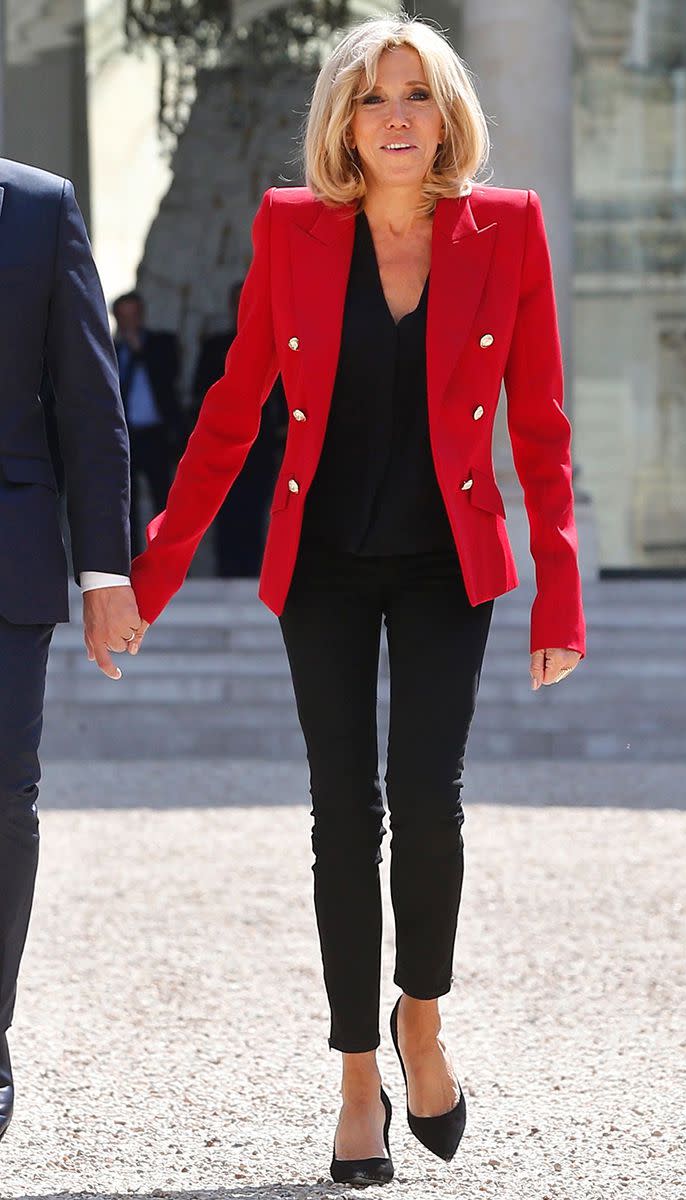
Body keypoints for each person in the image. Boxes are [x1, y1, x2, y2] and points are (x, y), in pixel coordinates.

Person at [129, 13, 586, 1185]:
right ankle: (353, 1079)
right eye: (375, 97)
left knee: (427, 802)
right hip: (322, 564)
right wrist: (154, 572)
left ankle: (418, 1023)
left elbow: (537, 421)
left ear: (446, 118)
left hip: (447, 564)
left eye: (417, 96)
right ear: (343, 117)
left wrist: (558, 593)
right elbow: (232, 410)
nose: (395, 117)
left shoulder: (508, 228)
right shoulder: (292, 228)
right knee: (345, 815)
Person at [0, 157, 140, 1143]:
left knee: (3, 800)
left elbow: (90, 404)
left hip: (5, 567)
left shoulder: (39, 210)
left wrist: (105, 574)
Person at [191, 281, 288, 576]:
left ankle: (249, 571)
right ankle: (227, 568)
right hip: (224, 436)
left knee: (257, 505)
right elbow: (200, 390)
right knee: (224, 506)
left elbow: (287, 391)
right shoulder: (216, 346)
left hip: (263, 440)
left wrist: (286, 429)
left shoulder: (278, 338)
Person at [112, 291, 185, 555]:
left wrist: (139, 351)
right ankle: (129, 562)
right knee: (125, 504)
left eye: (134, 315)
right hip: (125, 436)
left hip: (156, 433)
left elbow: (169, 375)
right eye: (124, 317)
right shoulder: (111, 351)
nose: (130, 322)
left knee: (162, 500)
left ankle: (166, 557)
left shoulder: (161, 343)